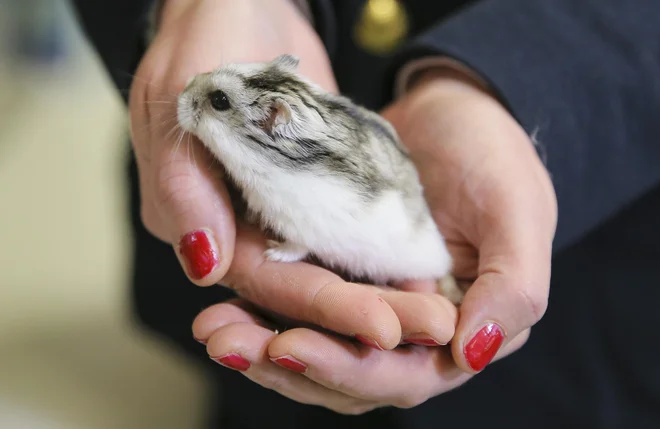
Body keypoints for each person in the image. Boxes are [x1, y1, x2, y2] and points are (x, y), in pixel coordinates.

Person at [71, 0, 660, 428]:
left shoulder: (285, 166)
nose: (191, 100)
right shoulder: (269, 144)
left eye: (218, 101)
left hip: (585, 339)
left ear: (273, 122)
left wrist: (498, 86)